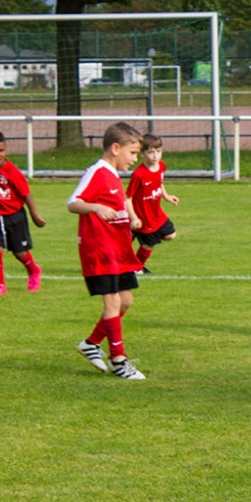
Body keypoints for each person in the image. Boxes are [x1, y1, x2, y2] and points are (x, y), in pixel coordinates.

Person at [67, 122, 146, 380]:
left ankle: (91, 343)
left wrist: (131, 217)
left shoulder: (112, 174)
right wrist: (95, 207)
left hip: (118, 249)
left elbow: (118, 202)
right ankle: (118, 360)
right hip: (100, 249)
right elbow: (73, 202)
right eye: (132, 153)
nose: (135, 159)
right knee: (112, 301)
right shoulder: (97, 172)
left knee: (126, 300)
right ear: (115, 148)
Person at [0, 130, 45, 296]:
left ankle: (34, 271)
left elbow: (26, 194)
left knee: (19, 252)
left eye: (1, 150)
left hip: (15, 216)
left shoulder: (12, 173)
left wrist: (34, 215)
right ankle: (0, 285)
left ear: (6, 150)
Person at [125, 133, 179, 274]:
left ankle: (134, 233)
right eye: (151, 152)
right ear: (142, 154)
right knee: (149, 244)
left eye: (158, 151)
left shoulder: (161, 166)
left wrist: (166, 196)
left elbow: (159, 182)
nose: (155, 156)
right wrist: (134, 218)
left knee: (171, 235)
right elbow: (127, 197)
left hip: (156, 213)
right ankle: (136, 268)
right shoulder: (138, 174)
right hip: (144, 216)